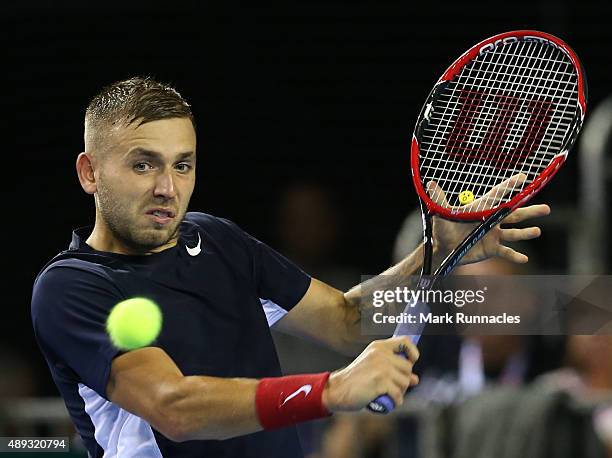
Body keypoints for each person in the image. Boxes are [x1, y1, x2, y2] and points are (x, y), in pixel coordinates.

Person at [30, 77, 550, 458]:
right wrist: (330, 389)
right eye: (143, 164)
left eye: (182, 164)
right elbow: (174, 408)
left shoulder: (217, 241)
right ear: (90, 172)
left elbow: (347, 321)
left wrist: (431, 254)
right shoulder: (71, 286)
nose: (167, 187)